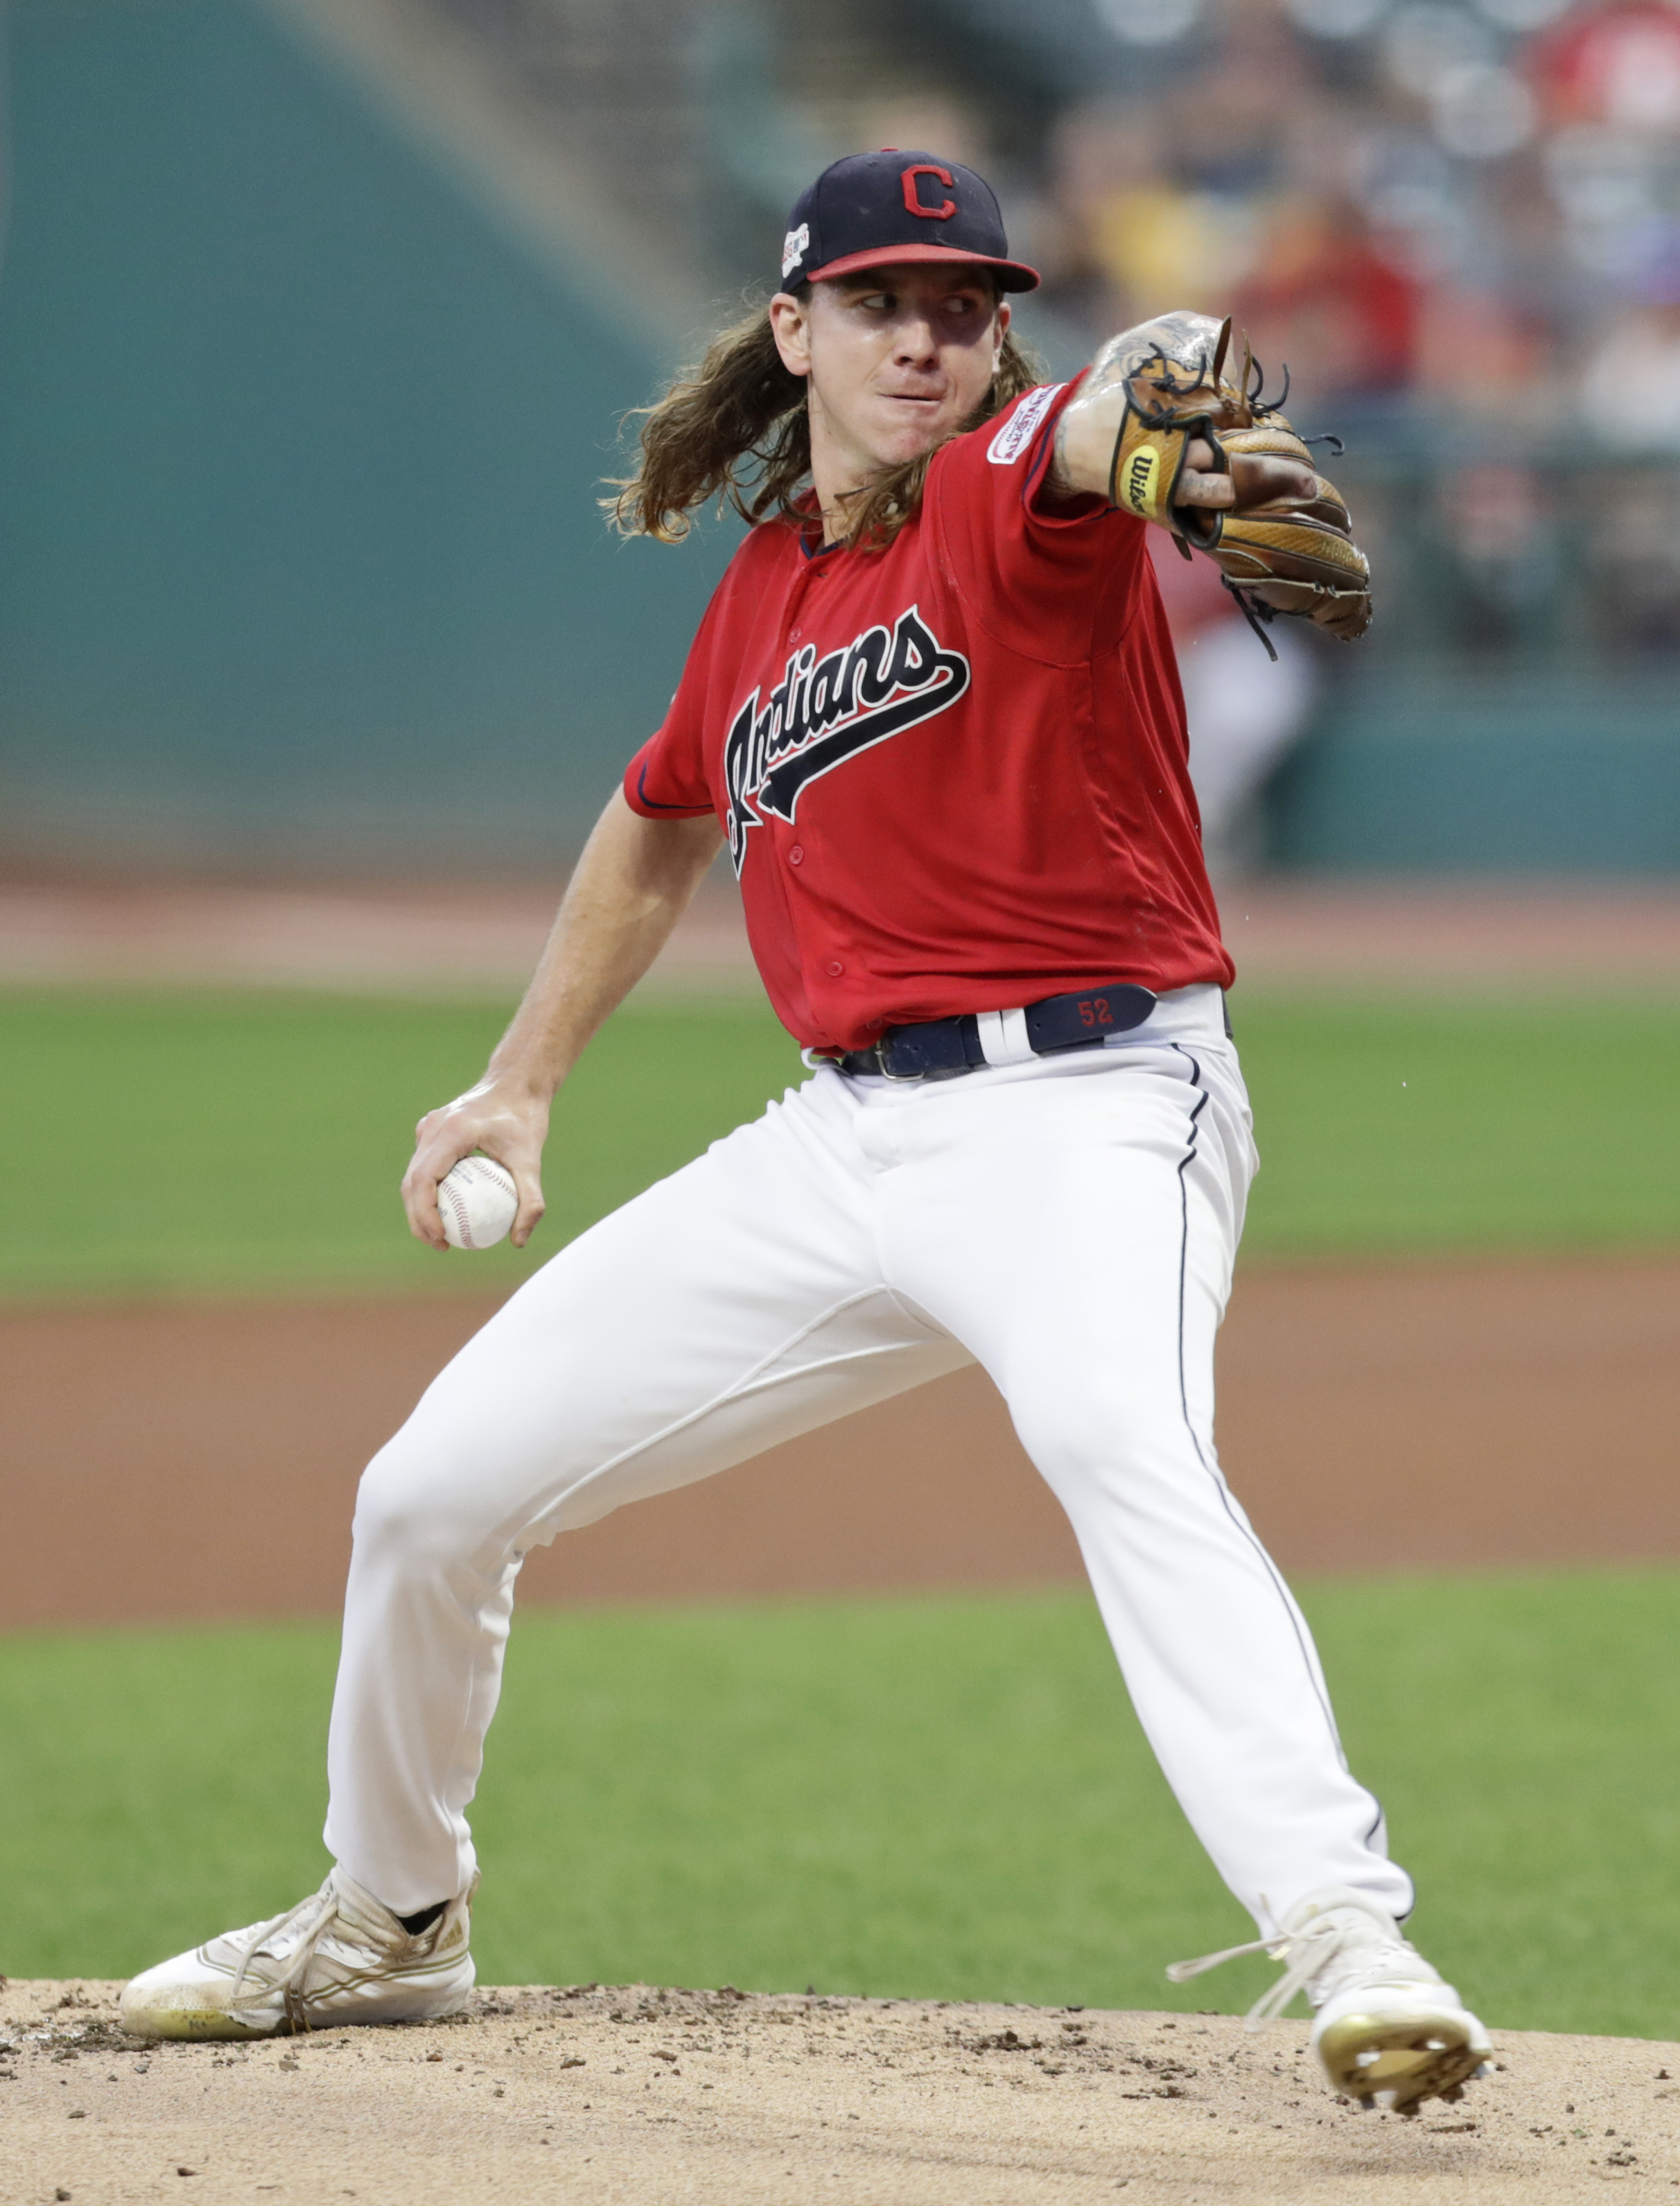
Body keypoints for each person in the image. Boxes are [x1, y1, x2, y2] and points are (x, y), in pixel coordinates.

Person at [121, 151, 1489, 2112]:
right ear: (797, 333)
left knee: (1120, 1439)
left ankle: (1354, 1940)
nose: (925, 333)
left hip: (1097, 1108)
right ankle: (390, 1921)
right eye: (879, 301)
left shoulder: (1026, 481)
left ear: (1003, 331)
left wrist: (1182, 373)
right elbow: (663, 813)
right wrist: (520, 1076)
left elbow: (1141, 391)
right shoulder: (770, 585)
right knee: (429, 1495)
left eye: (962, 301)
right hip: (842, 1144)